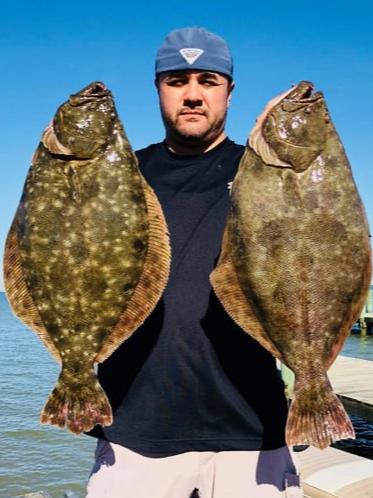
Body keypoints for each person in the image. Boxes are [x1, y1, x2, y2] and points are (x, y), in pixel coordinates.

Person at [85, 27, 303, 498]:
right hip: (132, 432)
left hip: (253, 431)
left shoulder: (267, 175)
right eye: (176, 80)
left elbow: (315, 252)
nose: (192, 95)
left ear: (229, 91)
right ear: (158, 88)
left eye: (207, 80)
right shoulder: (116, 175)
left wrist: (276, 149)